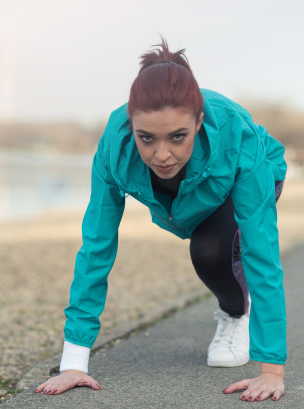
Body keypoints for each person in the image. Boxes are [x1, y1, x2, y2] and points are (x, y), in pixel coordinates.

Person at [35, 38, 288, 402]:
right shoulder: (113, 148)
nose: (162, 154)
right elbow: (96, 247)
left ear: (199, 122)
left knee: (212, 249)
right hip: (190, 201)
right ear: (130, 126)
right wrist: (74, 362)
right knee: (207, 241)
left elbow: (263, 254)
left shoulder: (238, 136)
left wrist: (271, 371)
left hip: (247, 175)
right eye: (147, 138)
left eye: (178, 136)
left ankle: (236, 315)